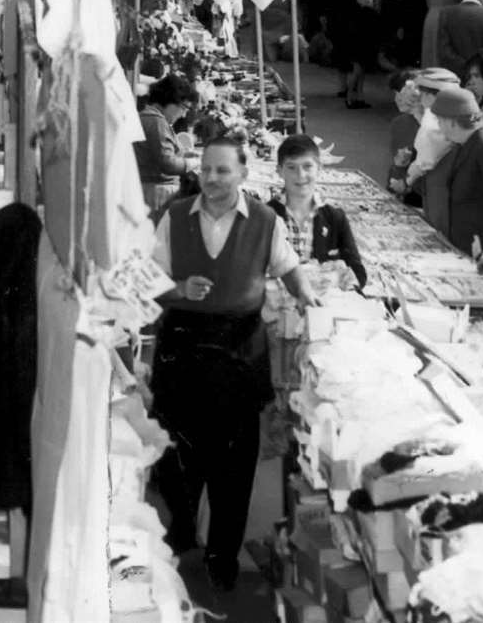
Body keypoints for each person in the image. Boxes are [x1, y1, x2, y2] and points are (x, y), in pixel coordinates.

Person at [149, 138, 317, 593]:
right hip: (183, 345)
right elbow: (149, 279)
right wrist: (180, 288)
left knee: (233, 467)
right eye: (206, 169)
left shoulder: (265, 220)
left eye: (223, 170)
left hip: (241, 350)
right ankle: (181, 537)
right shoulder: (174, 216)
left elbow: (287, 267)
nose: (212, 178)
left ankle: (222, 557)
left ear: (243, 173)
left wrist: (306, 296)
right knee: (176, 457)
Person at [417, 86, 483, 257]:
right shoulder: (462, 144)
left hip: (479, 247)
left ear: (452, 122)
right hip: (459, 243)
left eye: (440, 121)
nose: (439, 126)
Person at [266, 134, 367, 284]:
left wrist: (340, 277)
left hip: (323, 301)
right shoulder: (265, 215)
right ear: (279, 171)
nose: (300, 175)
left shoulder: (335, 218)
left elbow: (358, 272)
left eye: (307, 166)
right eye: (291, 167)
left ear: (319, 168)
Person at [135, 73, 199, 216]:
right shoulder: (156, 122)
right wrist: (192, 162)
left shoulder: (151, 118)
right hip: (156, 194)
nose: (183, 114)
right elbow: (167, 163)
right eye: (184, 107)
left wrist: (182, 155)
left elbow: (160, 152)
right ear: (171, 99)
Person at [405, 69, 463, 189]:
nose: (419, 97)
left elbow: (425, 160)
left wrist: (407, 180)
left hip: (438, 179)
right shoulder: (455, 109)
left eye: (422, 93)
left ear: (431, 96)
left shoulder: (432, 121)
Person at [385, 70, 422, 197]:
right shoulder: (400, 123)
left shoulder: (403, 123)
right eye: (396, 93)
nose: (398, 98)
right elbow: (398, 162)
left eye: (404, 93)